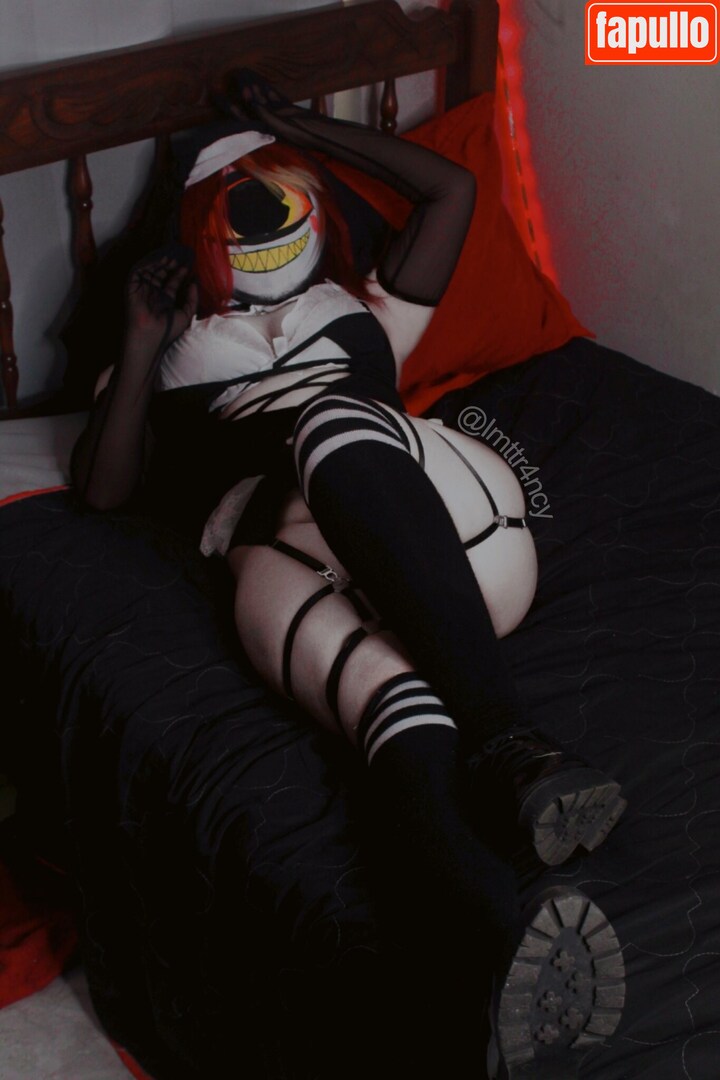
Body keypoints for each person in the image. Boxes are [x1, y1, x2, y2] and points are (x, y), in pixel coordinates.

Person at [71, 73, 626, 1075]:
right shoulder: (162, 356)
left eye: (275, 183)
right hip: (290, 560)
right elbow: (104, 493)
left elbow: (451, 190)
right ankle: (488, 963)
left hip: (442, 532)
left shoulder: (364, 307)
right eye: (231, 197)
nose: (257, 209)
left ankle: (506, 740)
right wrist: (141, 344)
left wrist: (300, 126)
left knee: (331, 419)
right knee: (386, 708)